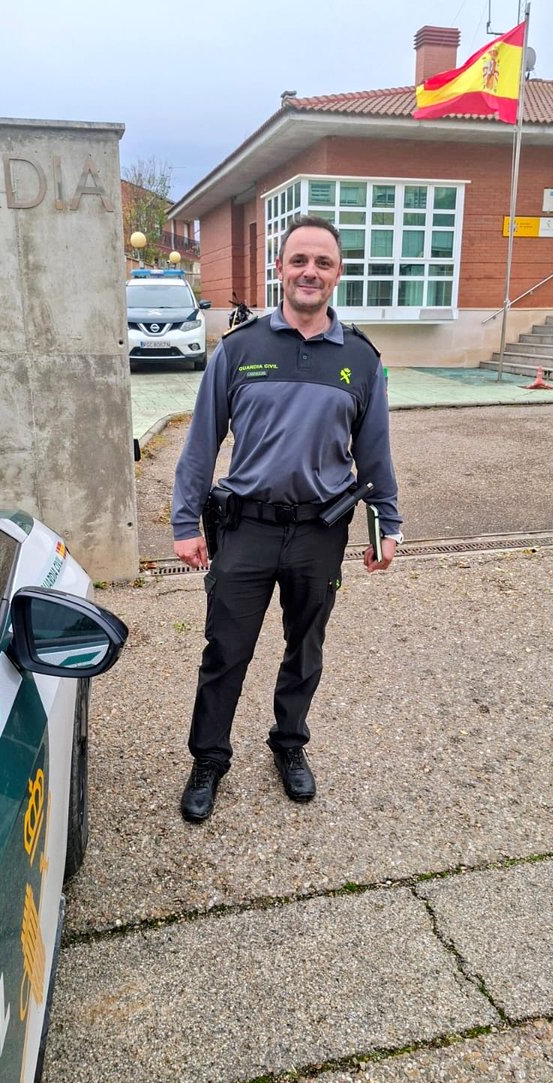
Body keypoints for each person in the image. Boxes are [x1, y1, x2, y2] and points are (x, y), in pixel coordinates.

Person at [171, 215, 402, 822]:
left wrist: (389, 522)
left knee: (306, 648)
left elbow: (375, 451)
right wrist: (185, 522)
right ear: (280, 269)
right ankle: (209, 759)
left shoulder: (360, 358)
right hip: (245, 530)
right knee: (226, 649)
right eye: (299, 260)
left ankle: (289, 746)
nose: (310, 272)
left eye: (322, 263)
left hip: (320, 533)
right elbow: (202, 442)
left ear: (337, 275)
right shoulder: (241, 349)